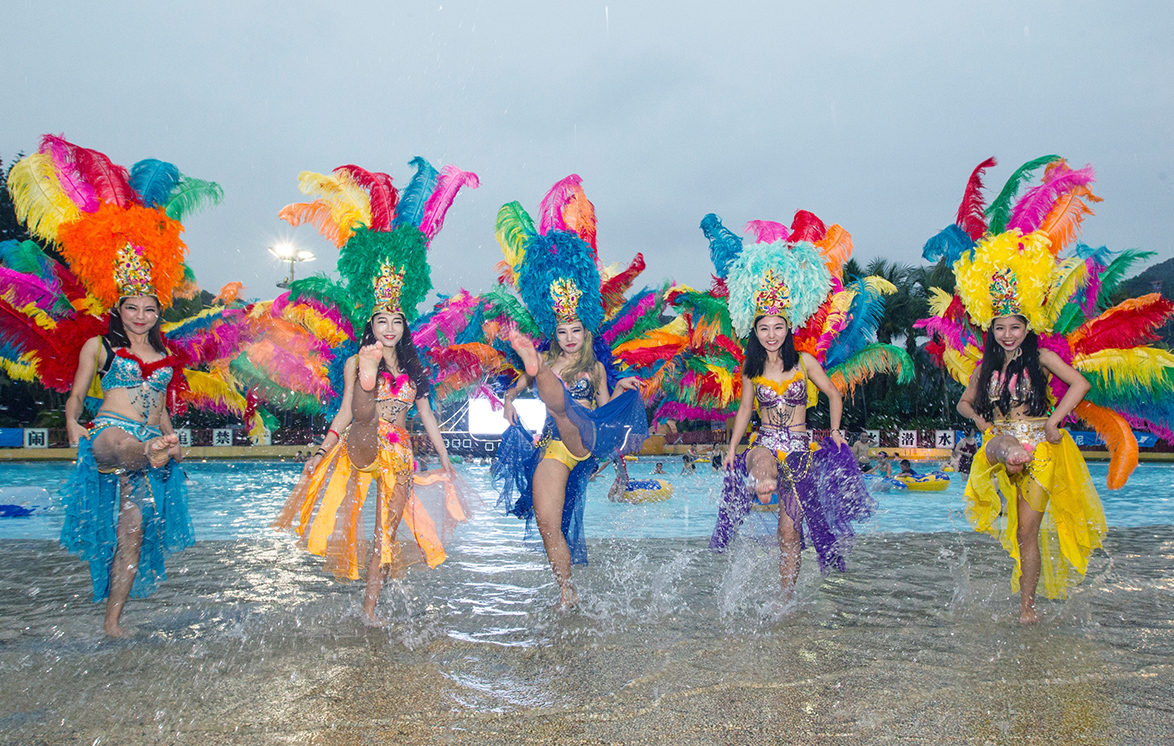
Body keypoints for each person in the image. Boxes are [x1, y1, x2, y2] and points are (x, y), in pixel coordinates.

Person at [8, 137, 218, 636]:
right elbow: (78, 395)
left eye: (149, 310)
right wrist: (71, 425)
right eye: (132, 308)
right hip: (108, 435)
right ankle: (152, 455)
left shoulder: (164, 357)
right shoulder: (99, 347)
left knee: (133, 534)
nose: (140, 316)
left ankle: (112, 622)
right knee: (126, 445)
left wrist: (169, 434)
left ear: (158, 313)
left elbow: (160, 407)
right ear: (119, 310)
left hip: (148, 440)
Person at [271, 161, 478, 625]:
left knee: (387, 534)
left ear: (404, 326)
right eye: (381, 320)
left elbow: (427, 416)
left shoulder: (414, 368)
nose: (389, 327)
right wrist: (320, 450)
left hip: (399, 451)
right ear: (372, 324)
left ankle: (370, 610)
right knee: (364, 408)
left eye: (395, 321)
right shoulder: (354, 360)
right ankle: (371, 381)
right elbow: (344, 412)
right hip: (362, 439)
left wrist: (446, 459)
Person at [491, 178, 648, 608]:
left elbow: (604, 412)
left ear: (586, 330)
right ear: (555, 334)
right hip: (553, 446)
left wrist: (621, 389)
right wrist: (509, 400)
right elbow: (518, 386)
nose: (570, 337)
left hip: (584, 437)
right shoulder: (551, 360)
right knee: (547, 522)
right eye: (562, 331)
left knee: (562, 406)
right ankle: (566, 590)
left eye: (576, 330)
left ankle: (542, 376)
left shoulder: (594, 368)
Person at [710, 238, 874, 596]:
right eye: (764, 328)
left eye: (778, 327)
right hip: (765, 442)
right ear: (755, 331)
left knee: (789, 531)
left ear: (788, 328)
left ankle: (784, 596)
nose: (771, 335)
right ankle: (763, 481)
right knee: (763, 462)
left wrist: (835, 431)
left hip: (801, 450)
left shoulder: (804, 363)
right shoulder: (751, 368)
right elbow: (744, 410)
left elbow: (833, 394)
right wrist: (732, 447)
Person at [958, 313, 1102, 623]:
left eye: (1015, 327)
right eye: (1000, 328)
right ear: (991, 331)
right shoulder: (985, 368)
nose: (1007, 334)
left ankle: (1027, 608)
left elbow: (1080, 384)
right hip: (1000, 440)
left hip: (1039, 450)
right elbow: (963, 403)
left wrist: (1053, 422)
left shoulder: (1042, 358)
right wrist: (978, 418)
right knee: (1000, 443)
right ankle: (1011, 454)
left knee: (1026, 533)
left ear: (1026, 329)